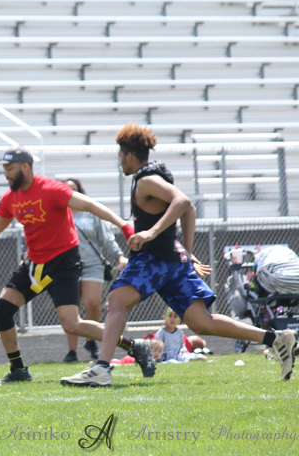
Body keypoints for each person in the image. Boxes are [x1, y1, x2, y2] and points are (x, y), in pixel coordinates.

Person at [61, 123, 297, 387]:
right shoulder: (152, 177)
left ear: (129, 155)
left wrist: (151, 233)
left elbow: (183, 201)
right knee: (201, 322)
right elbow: (190, 209)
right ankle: (275, 338)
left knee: (116, 302)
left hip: (153, 260)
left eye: (120, 156)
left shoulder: (146, 180)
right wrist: (188, 251)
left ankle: (102, 368)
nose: (120, 162)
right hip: (172, 261)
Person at [0, 146, 156, 384]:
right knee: (0, 310)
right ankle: (19, 370)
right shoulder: (10, 198)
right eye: (4, 169)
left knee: (72, 324)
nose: (6, 173)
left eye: (10, 168)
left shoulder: (51, 189)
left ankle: (134, 346)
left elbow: (90, 205)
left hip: (63, 262)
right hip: (35, 263)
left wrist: (123, 224)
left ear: (26, 167)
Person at [60, 178, 128, 363]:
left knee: (93, 303)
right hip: (68, 267)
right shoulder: (58, 212)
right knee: (72, 309)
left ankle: (91, 342)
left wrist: (119, 256)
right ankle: (72, 351)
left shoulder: (90, 213)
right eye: (66, 189)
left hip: (92, 265)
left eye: (73, 189)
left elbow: (106, 238)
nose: (70, 193)